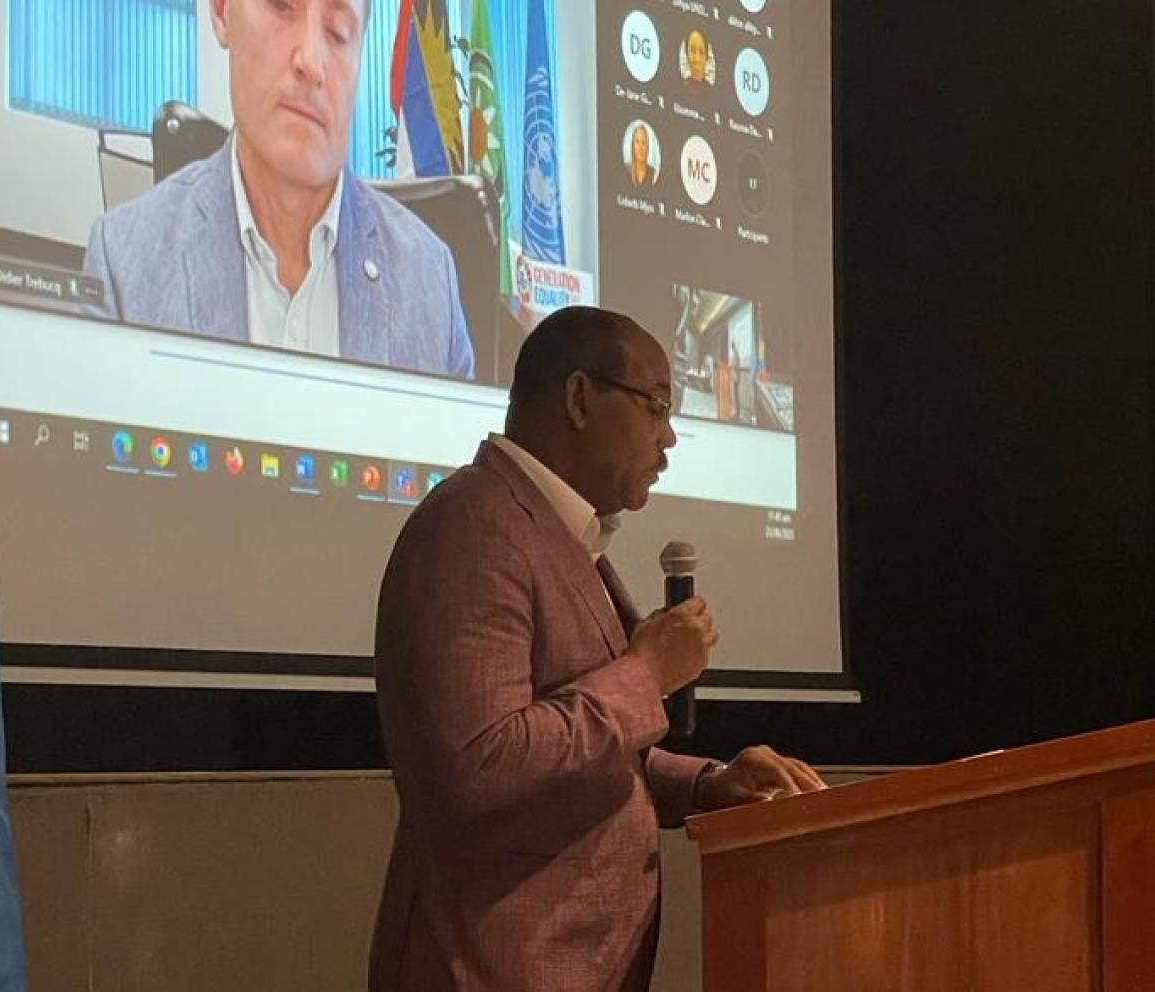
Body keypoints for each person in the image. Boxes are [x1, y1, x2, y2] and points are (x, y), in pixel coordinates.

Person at [369, 306, 824, 990]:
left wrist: (707, 784)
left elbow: (572, 759)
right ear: (580, 398)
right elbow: (481, 764)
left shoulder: (554, 536)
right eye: (657, 406)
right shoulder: (474, 524)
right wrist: (646, 673)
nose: (669, 438)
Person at [81, 0, 475, 379]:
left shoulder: (428, 281)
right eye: (281, 6)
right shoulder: (124, 262)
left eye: (337, 33)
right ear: (221, 12)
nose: (310, 61)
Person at [626, 122, 658, 187]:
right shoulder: (626, 169)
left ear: (647, 147)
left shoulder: (653, 174)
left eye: (643, 143)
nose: (640, 147)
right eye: (637, 141)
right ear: (633, 145)